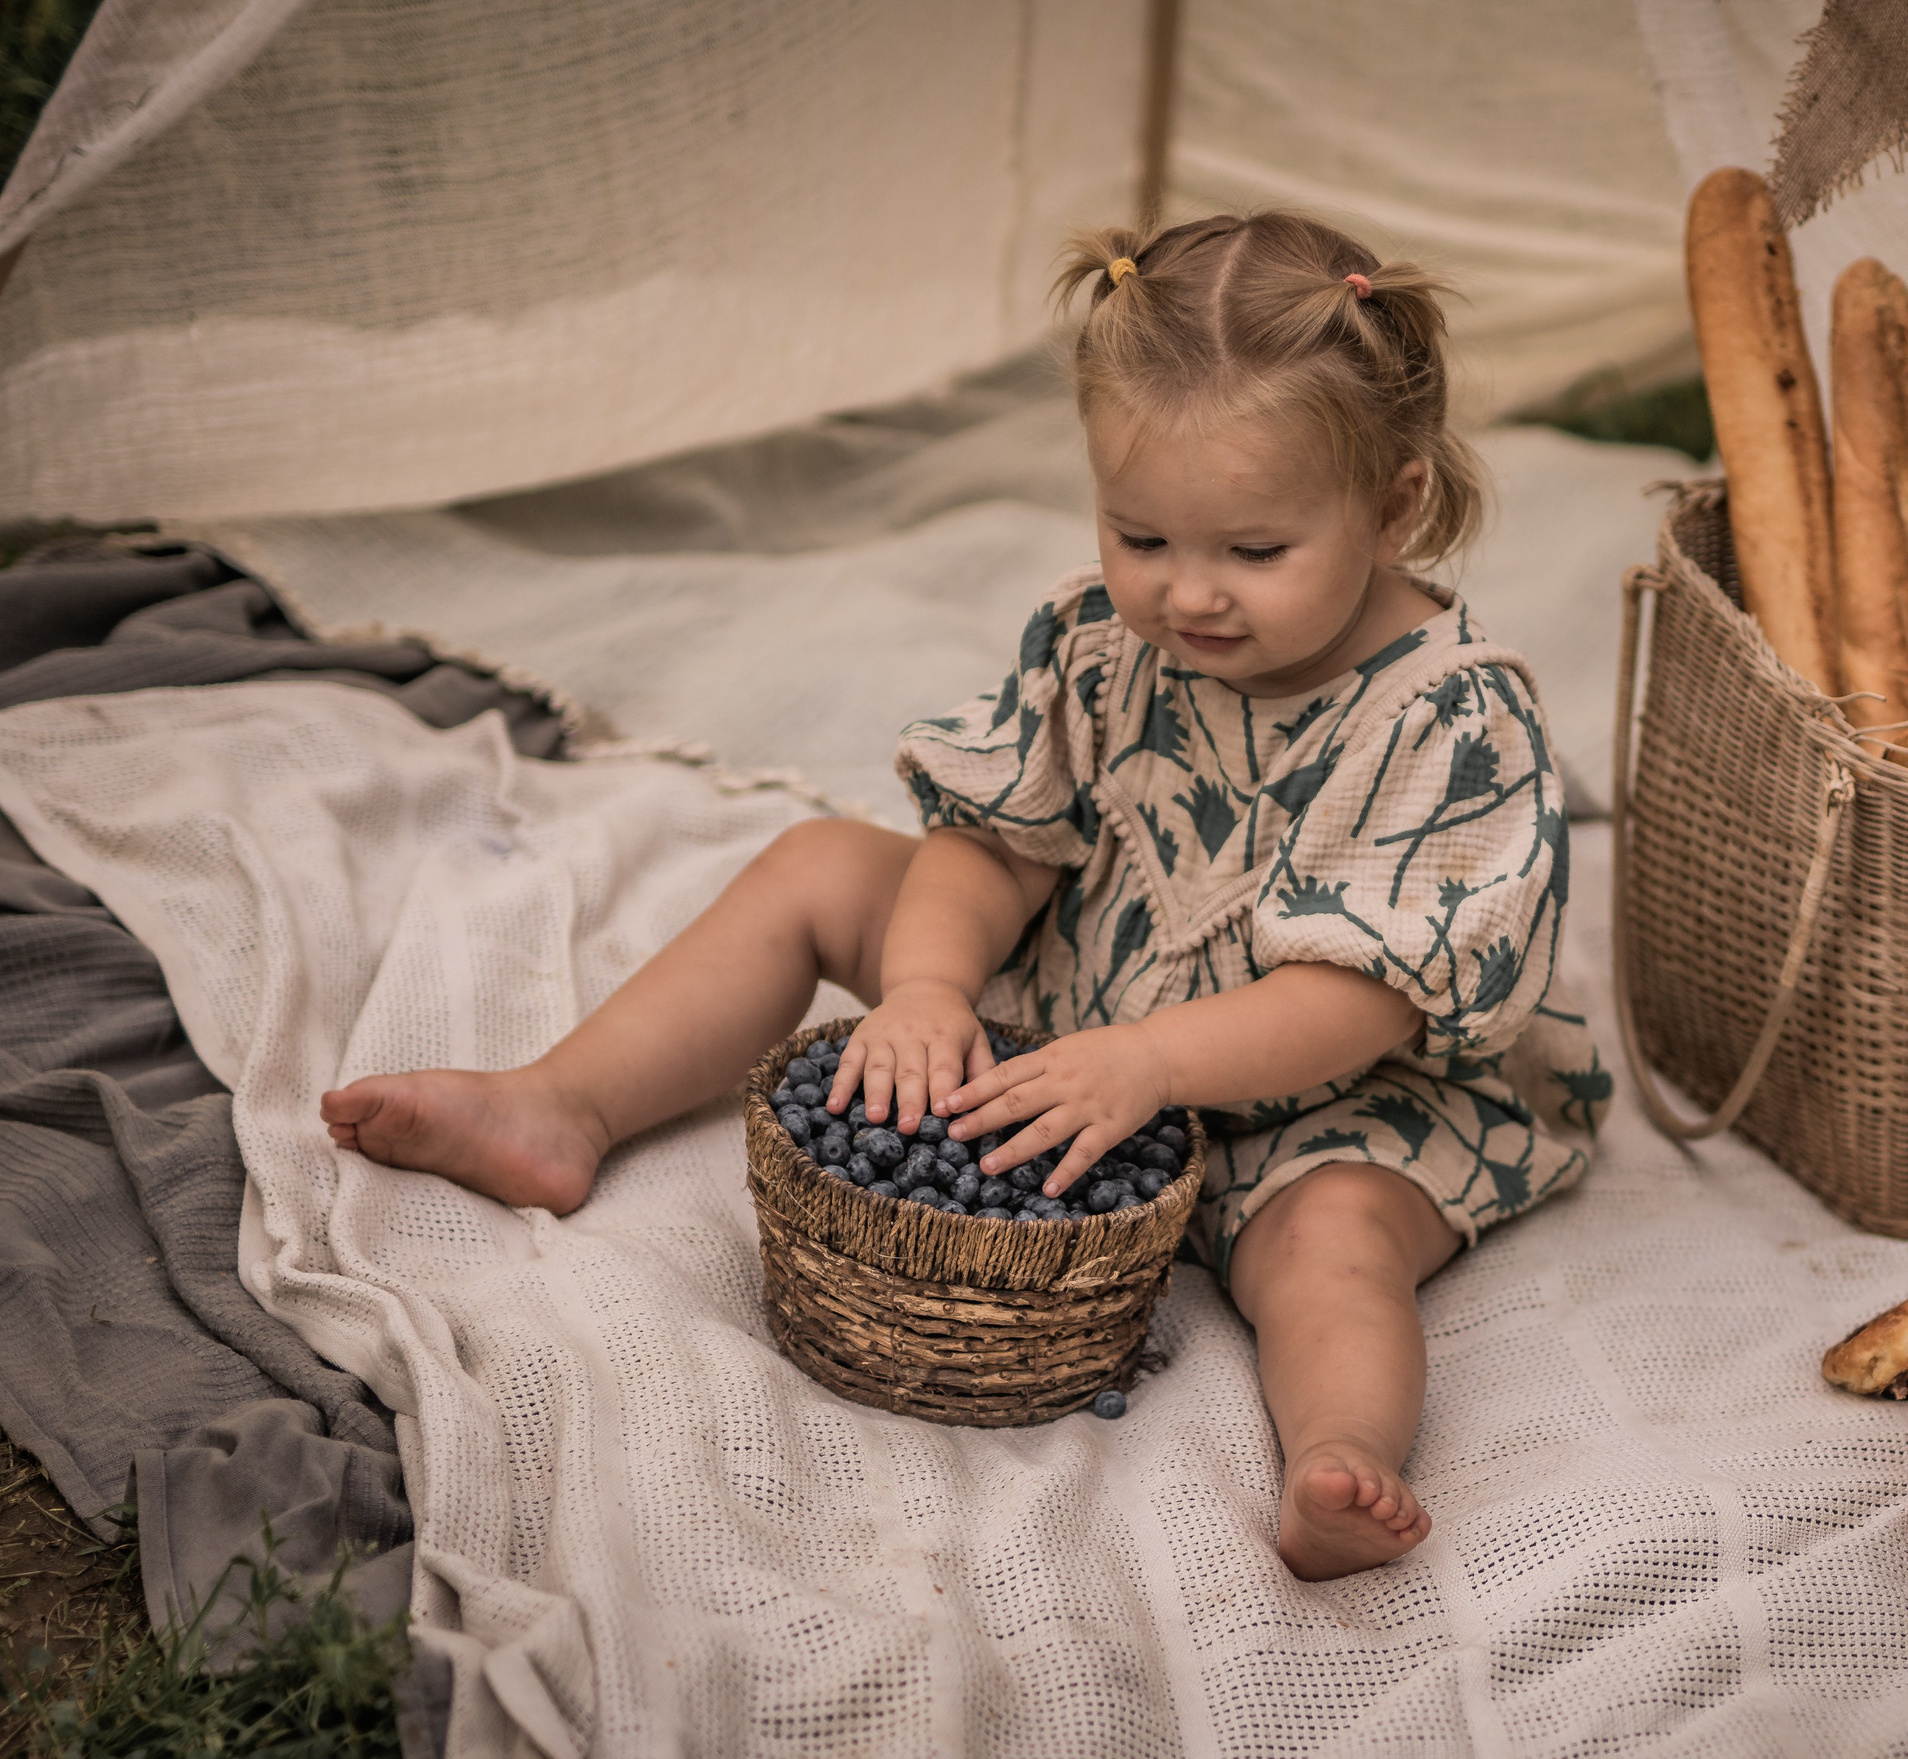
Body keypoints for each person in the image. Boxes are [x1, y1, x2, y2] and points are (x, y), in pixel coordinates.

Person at [321, 211, 1611, 1581]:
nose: (1189, 593)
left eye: (1254, 550)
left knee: (1333, 1240)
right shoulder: (1107, 642)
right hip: (1085, 1015)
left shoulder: (1445, 723)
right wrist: (934, 986)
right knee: (826, 865)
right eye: (1142, 533)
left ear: (1394, 507)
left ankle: (1335, 1461)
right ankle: (562, 1104)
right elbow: (996, 841)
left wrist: (1153, 1064)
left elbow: (1353, 1000)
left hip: (1329, 1097)